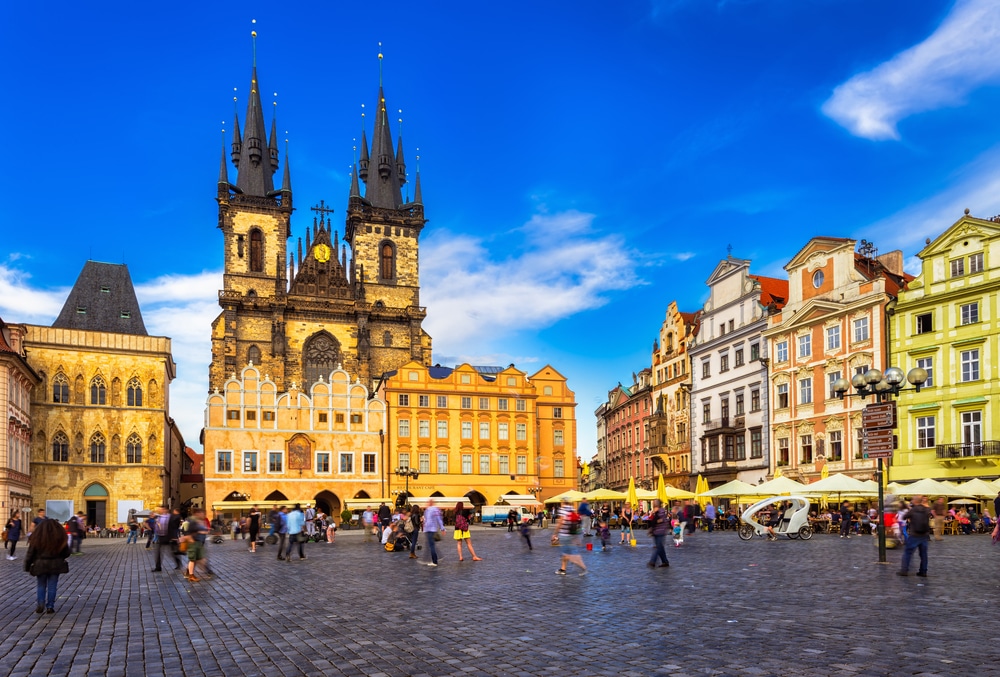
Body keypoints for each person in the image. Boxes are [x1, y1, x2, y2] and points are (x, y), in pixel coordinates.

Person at [24, 518, 71, 614]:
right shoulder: (59, 537)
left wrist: (27, 565)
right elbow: (66, 552)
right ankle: (50, 606)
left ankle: (40, 603)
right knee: (52, 586)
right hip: (55, 565)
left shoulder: (37, 537)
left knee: (41, 585)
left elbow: (30, 553)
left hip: (40, 564)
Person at [899, 495, 931, 577]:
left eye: (912, 499)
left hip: (914, 534)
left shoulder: (913, 510)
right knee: (923, 554)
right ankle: (923, 571)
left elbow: (903, 517)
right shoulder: (926, 509)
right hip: (924, 534)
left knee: (908, 552)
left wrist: (909, 509)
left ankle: (904, 570)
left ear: (915, 501)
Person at [553, 499, 586, 576]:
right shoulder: (572, 509)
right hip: (572, 534)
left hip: (564, 535)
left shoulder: (563, 510)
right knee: (565, 553)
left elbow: (560, 522)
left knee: (568, 554)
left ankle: (583, 567)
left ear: (563, 502)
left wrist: (555, 533)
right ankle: (563, 569)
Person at [182, 509, 210, 582]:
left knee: (197, 559)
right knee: (193, 559)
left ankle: (189, 572)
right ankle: (191, 575)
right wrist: (191, 538)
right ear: (197, 513)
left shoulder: (198, 520)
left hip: (198, 542)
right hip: (194, 542)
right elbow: (188, 531)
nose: (202, 515)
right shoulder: (192, 521)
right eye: (201, 513)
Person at [151, 506, 182, 572]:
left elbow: (174, 526)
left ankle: (178, 563)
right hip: (161, 536)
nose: (160, 511)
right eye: (160, 510)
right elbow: (157, 525)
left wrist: (174, 537)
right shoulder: (159, 517)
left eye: (162, 509)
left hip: (169, 536)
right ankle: (158, 567)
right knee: (158, 552)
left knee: (172, 552)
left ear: (166, 510)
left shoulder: (171, 517)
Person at [647, 499, 670, 568]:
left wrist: (657, 520)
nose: (653, 505)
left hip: (660, 531)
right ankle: (665, 561)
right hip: (656, 532)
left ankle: (653, 561)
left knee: (658, 547)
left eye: (654, 503)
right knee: (660, 548)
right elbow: (654, 521)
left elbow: (661, 520)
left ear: (657, 504)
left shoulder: (661, 511)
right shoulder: (656, 512)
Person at [422, 499, 444, 566]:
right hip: (433, 529)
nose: (427, 503)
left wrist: (424, 527)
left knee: (431, 545)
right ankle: (435, 558)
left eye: (428, 502)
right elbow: (439, 519)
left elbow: (427, 521)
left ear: (430, 503)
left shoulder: (428, 510)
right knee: (431, 545)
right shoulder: (436, 509)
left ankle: (435, 561)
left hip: (429, 529)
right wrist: (442, 528)